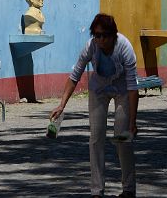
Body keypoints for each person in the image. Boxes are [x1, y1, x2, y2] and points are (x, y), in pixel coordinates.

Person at [51, 14, 139, 198]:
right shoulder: (91, 46)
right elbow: (75, 75)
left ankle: (129, 189)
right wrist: (61, 105)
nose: (100, 39)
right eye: (96, 35)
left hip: (122, 91)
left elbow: (132, 87)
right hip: (98, 91)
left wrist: (133, 121)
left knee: (122, 137)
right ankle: (97, 191)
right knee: (96, 138)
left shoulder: (125, 47)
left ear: (113, 35)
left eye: (104, 35)